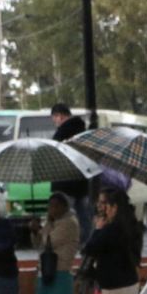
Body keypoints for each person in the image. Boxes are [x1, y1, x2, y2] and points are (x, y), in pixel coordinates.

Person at [82, 187, 141, 294]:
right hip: (129, 283)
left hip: (115, 287)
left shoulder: (112, 229)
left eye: (104, 203)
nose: (100, 207)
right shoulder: (131, 225)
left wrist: (98, 229)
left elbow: (89, 248)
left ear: (114, 207)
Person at [31, 192, 81, 294]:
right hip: (46, 270)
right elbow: (38, 244)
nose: (50, 209)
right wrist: (35, 231)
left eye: (54, 206)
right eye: (49, 206)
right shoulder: (53, 223)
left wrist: (41, 229)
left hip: (60, 270)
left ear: (63, 207)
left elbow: (49, 242)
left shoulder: (69, 223)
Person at [50, 103, 92, 240]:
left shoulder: (61, 133)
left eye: (54, 117)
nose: (54, 121)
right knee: (84, 217)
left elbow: (55, 156)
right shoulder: (83, 131)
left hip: (64, 183)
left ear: (59, 116)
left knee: (65, 217)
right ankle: (85, 243)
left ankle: (69, 241)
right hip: (82, 182)